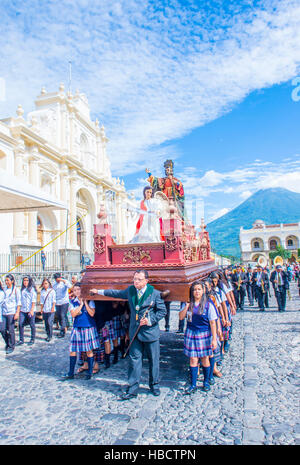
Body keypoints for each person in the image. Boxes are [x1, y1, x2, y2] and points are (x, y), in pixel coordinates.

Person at [90, 269, 167, 399]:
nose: (136, 282)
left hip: (150, 333)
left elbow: (162, 311)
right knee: (134, 360)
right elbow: (116, 293)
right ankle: (132, 388)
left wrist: (150, 320)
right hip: (135, 332)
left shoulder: (154, 294)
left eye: (139, 279)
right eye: (134, 279)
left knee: (153, 361)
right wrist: (99, 291)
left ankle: (154, 385)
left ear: (146, 281)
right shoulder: (131, 291)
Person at [179, 281, 218, 394]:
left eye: (199, 289)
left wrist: (214, 339)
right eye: (195, 289)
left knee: (205, 358)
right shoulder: (188, 303)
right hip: (191, 333)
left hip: (203, 333)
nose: (197, 292)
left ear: (203, 291)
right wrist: (186, 306)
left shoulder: (208, 304)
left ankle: (206, 381)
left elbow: (212, 323)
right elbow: (181, 317)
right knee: (193, 359)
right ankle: (193, 383)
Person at [61, 282, 100, 380]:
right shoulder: (72, 302)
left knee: (89, 350)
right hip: (77, 327)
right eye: (75, 290)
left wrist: (85, 303)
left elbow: (92, 313)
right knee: (72, 350)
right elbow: (73, 314)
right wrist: (81, 304)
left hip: (88, 327)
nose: (77, 292)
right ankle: (70, 372)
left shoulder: (90, 301)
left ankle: (90, 372)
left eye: (79, 289)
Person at [0, 274, 21, 354]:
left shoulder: (16, 290)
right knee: (2, 329)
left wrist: (17, 313)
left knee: (11, 329)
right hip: (4, 312)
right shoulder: (4, 289)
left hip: (11, 312)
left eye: (8, 280)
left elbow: (19, 302)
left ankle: (11, 346)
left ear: (12, 281)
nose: (6, 282)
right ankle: (8, 342)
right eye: (5, 280)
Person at [17, 276, 38, 346]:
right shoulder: (22, 290)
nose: (25, 282)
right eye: (24, 280)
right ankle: (21, 339)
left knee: (32, 324)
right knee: (20, 324)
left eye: (27, 280)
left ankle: (32, 338)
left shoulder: (32, 290)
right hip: (23, 310)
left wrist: (31, 310)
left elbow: (33, 301)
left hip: (30, 310)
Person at [52, 273, 72, 338]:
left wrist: (63, 280)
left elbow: (70, 287)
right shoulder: (54, 284)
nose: (57, 280)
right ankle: (65, 325)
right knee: (59, 316)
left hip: (64, 302)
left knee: (62, 315)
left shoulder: (64, 282)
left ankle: (62, 331)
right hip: (57, 302)